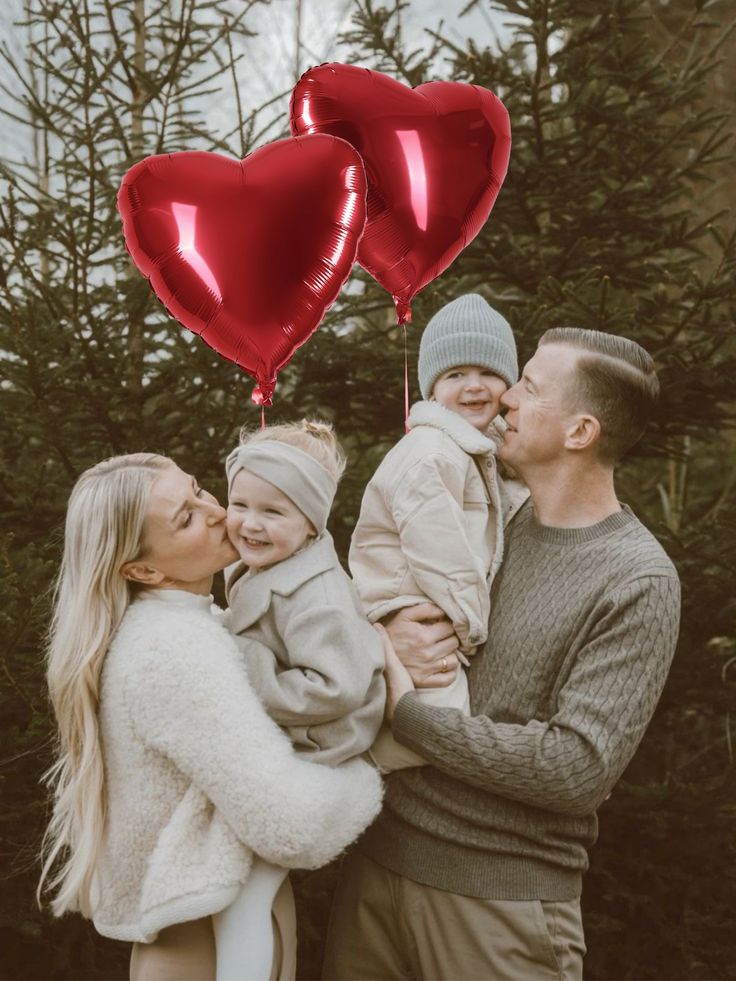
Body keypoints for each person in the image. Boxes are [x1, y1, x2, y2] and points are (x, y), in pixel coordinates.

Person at [323, 327, 681, 981]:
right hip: (377, 870)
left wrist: (412, 719)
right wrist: (389, 634)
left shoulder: (636, 577)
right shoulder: (480, 521)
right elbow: (356, 600)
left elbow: (575, 768)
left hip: (499, 905)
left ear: (580, 431)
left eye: (530, 386)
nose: (505, 397)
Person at [38, 453, 383, 981]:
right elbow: (289, 824)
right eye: (186, 517)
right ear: (144, 570)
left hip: (216, 932)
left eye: (199, 490)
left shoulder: (188, 626)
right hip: (205, 949)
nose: (218, 512)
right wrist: (376, 766)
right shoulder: (177, 647)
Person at [216, 420, 386, 980]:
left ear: (311, 522)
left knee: (244, 893)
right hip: (288, 740)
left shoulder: (318, 594)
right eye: (240, 503)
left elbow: (335, 686)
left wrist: (242, 665)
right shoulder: (265, 563)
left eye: (273, 511)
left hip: (320, 750)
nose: (250, 523)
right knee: (249, 890)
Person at [350, 294, 528, 770]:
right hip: (411, 605)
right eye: (455, 375)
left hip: (431, 607)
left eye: (488, 373)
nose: (474, 386)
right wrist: (470, 624)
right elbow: (440, 552)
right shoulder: (432, 453)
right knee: (427, 727)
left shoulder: (471, 450)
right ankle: (360, 772)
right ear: (432, 389)